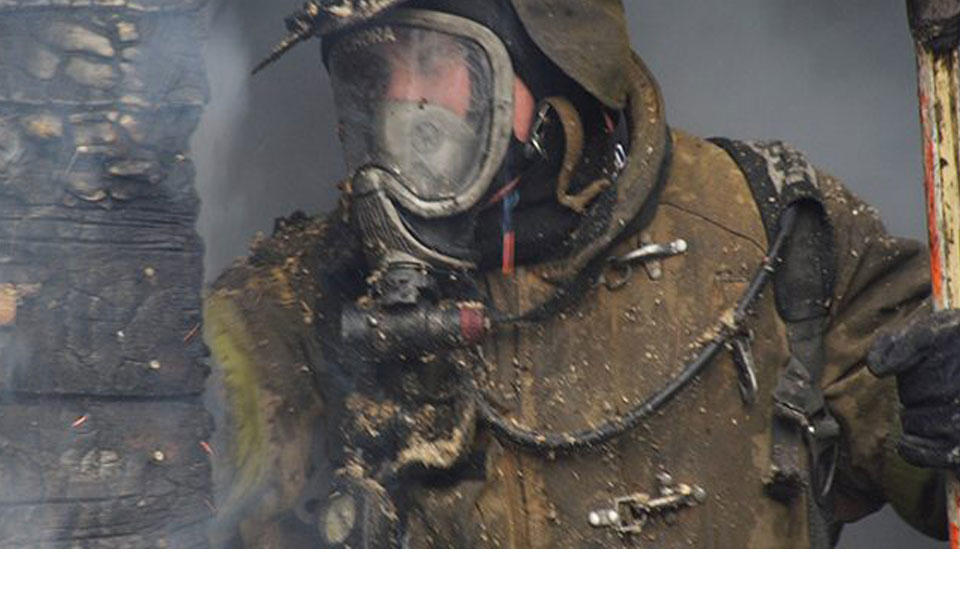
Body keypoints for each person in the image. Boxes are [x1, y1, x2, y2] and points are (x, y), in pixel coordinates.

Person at [204, 0, 959, 548]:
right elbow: (162, 470)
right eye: (377, 68)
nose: (404, 103)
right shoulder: (295, 300)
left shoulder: (778, 233)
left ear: (554, 64)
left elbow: (939, 491)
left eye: (434, 61)